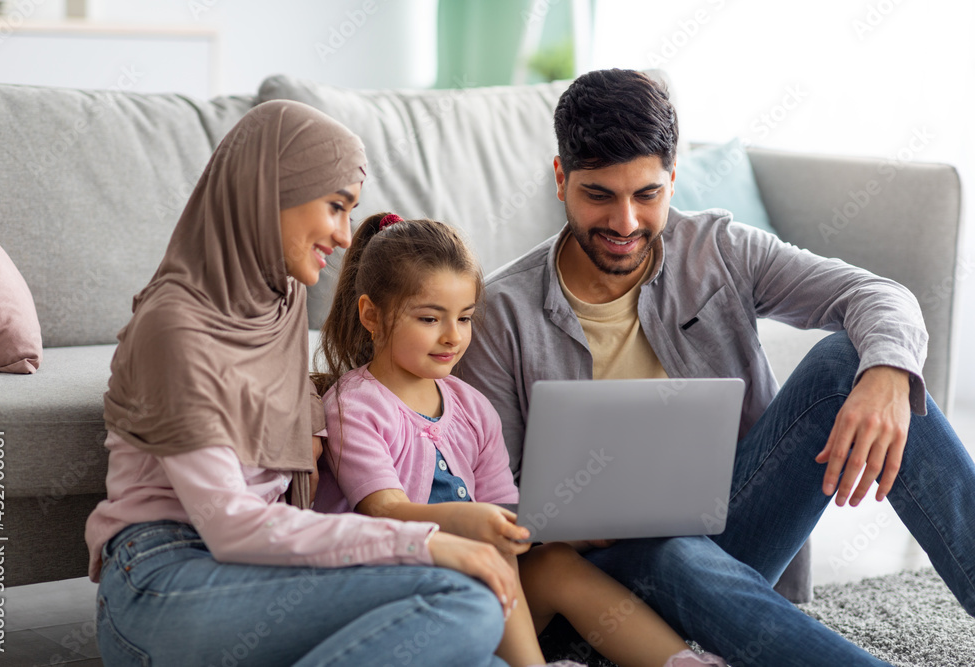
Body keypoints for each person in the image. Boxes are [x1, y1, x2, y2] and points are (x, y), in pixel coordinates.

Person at [457, 68, 975, 666]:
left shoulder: (716, 251)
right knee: (665, 549)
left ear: (673, 179)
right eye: (599, 194)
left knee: (850, 360)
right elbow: (486, 500)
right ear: (560, 179)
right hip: (598, 585)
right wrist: (562, 523)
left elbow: (879, 295)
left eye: (646, 194)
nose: (625, 223)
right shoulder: (501, 313)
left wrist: (886, 374)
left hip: (732, 537)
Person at [84, 100, 520, 667]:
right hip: (165, 578)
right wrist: (424, 541)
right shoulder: (176, 327)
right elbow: (231, 525)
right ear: (268, 192)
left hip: (263, 573)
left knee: (472, 656)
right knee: (466, 603)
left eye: (351, 212)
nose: (343, 237)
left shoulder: (277, 301)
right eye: (334, 207)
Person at [311, 211, 727, 667]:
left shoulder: (471, 406)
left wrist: (576, 528)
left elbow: (508, 513)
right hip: (395, 588)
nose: (453, 336)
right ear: (371, 314)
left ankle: (685, 662)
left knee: (555, 566)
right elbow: (384, 512)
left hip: (480, 581)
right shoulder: (354, 405)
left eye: (465, 318)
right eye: (430, 318)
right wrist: (476, 525)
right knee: (491, 548)